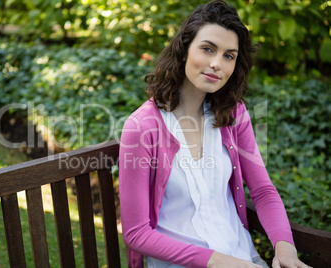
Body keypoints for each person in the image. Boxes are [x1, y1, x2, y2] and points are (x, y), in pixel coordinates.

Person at [118, 1, 311, 267]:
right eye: (208, 49)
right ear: (184, 49)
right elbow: (136, 233)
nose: (216, 64)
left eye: (228, 55)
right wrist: (219, 262)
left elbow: (263, 191)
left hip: (242, 257)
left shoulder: (233, 115)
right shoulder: (142, 127)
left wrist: (286, 250)